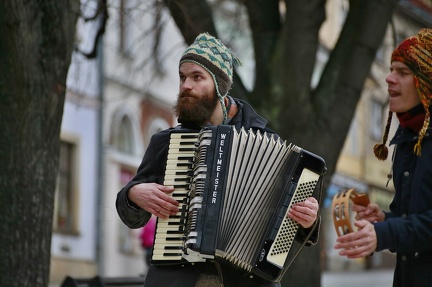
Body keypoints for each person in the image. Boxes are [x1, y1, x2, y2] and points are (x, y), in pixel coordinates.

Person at [116, 33, 321, 287]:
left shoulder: (268, 142)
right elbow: (132, 216)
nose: (185, 86)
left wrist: (309, 219)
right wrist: (134, 193)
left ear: (220, 85)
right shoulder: (167, 143)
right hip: (180, 278)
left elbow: (292, 224)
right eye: (182, 77)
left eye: (197, 77)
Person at [334, 28, 432, 287]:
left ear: (426, 82)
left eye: (402, 72)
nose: (389, 78)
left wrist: (385, 233)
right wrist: (384, 220)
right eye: (390, 69)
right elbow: (411, 219)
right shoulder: (408, 135)